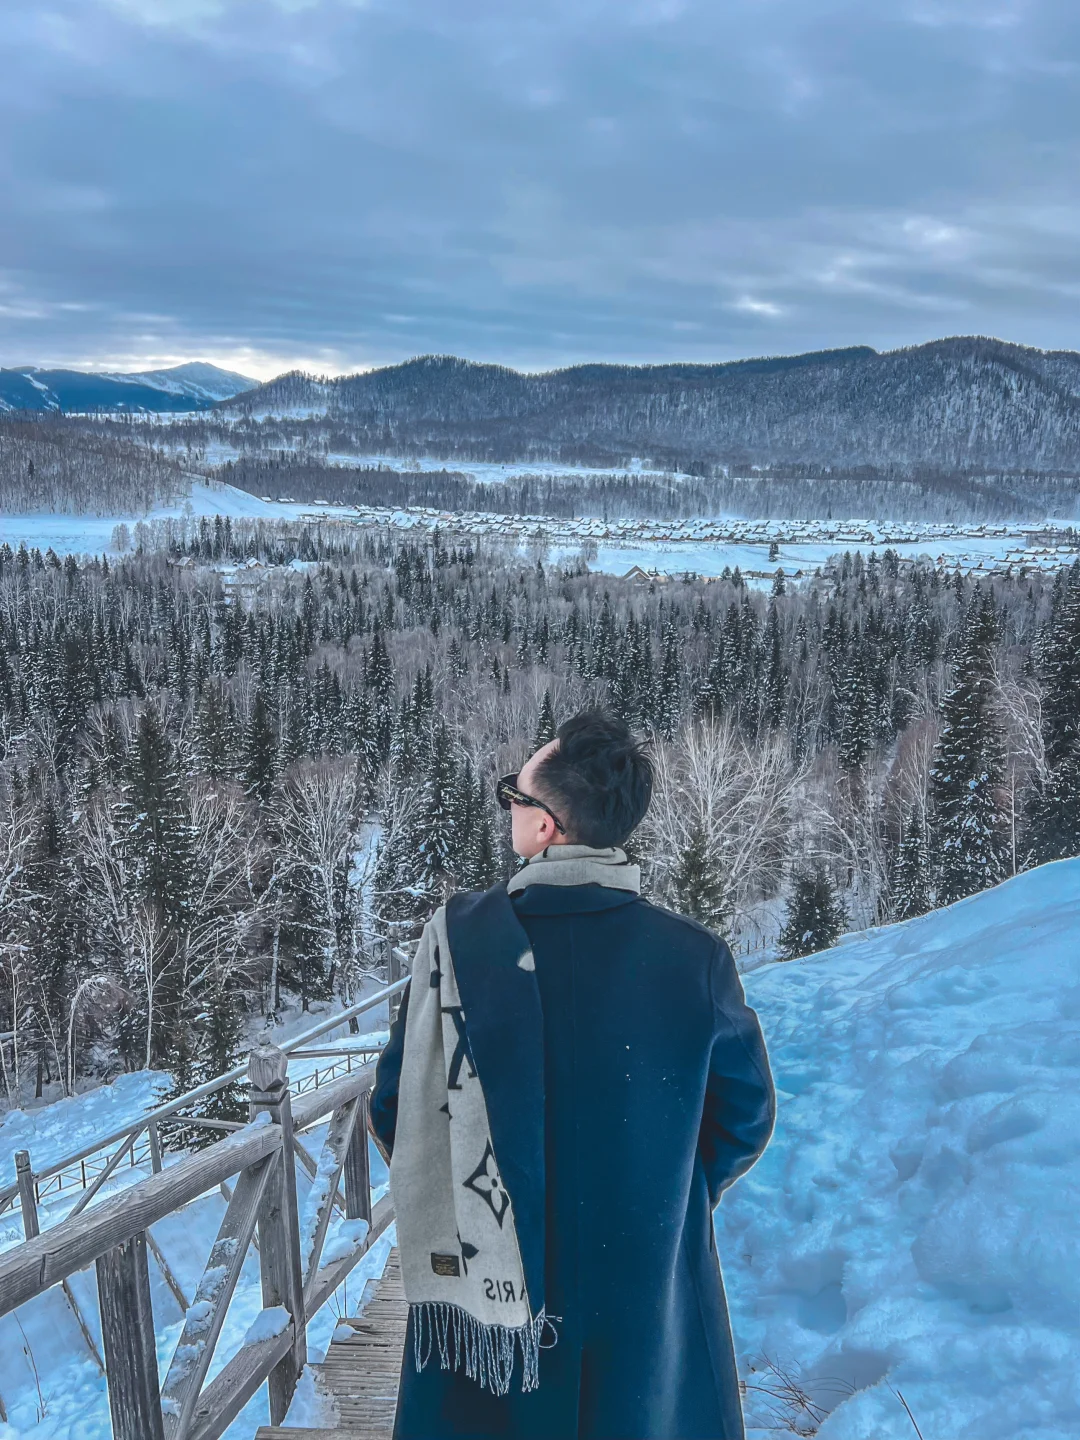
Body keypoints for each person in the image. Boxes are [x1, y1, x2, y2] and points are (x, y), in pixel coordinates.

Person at [370, 709, 775, 1439]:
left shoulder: (458, 949)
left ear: (547, 827)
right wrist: (665, 1188)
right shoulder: (695, 958)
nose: (508, 815)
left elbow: (396, 1107)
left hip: (486, 1303)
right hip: (643, 1288)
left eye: (513, 798)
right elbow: (745, 1116)